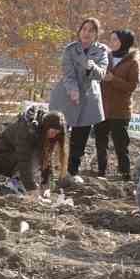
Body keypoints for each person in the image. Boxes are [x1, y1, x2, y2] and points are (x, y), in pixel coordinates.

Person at [49, 18, 109, 179]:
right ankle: (46, 167)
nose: (86, 33)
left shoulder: (102, 51)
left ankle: (71, 172)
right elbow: (68, 74)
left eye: (91, 30)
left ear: (96, 34)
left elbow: (101, 74)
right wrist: (73, 91)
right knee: (55, 133)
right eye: (84, 29)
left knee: (80, 138)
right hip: (66, 95)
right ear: (79, 31)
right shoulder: (70, 49)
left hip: (89, 98)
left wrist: (91, 66)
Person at [95, 29, 140, 179]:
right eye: (111, 39)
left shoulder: (133, 62)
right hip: (101, 108)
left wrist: (113, 80)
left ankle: (124, 174)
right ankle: (101, 171)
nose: (111, 43)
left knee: (121, 145)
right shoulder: (104, 58)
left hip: (120, 111)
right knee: (100, 143)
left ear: (124, 42)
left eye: (115, 40)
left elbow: (132, 86)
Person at [0, 105, 67, 192]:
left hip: (18, 159)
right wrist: (31, 189)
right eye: (53, 132)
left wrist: (46, 186)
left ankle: (28, 182)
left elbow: (46, 158)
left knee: (39, 157)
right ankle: (16, 182)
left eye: (57, 134)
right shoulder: (27, 131)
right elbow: (24, 161)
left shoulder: (43, 132)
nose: (54, 136)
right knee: (34, 156)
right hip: (2, 157)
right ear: (46, 127)